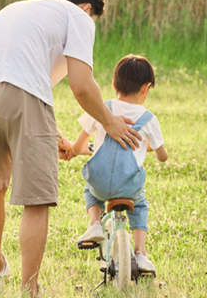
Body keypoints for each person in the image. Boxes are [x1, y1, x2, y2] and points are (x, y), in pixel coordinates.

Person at [0, 0, 142, 295]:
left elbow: (23, 80)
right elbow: (82, 85)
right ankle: (29, 288)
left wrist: (49, 132)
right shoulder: (79, 18)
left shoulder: (23, 10)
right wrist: (109, 122)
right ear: (88, 9)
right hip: (20, 93)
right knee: (37, 198)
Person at [70, 54, 169, 272]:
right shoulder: (149, 118)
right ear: (146, 88)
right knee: (140, 205)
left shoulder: (101, 109)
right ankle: (141, 253)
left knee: (90, 189)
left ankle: (94, 223)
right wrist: (149, 147)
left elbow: (78, 147)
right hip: (129, 186)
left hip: (100, 183)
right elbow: (163, 156)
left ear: (114, 84)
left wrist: (83, 151)